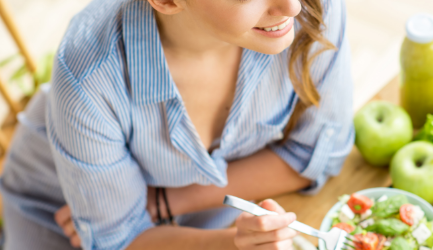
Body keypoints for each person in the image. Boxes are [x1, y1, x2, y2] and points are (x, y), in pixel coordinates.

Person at [0, 0, 353, 248]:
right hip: (60, 211)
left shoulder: (310, 6)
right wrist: (234, 244)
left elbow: (319, 152)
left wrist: (162, 203)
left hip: (207, 210)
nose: (292, 7)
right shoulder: (89, 75)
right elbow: (120, 239)